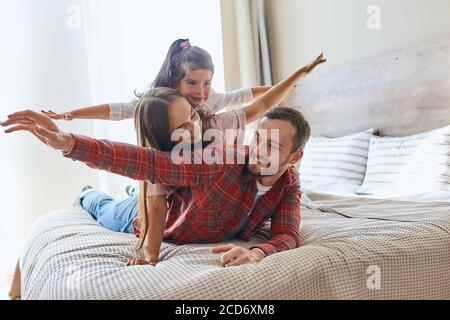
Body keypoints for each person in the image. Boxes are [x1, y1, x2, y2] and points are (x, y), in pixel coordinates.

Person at [2, 55, 325, 267]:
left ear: (294, 158)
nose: (255, 149)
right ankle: (87, 193)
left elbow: (286, 235)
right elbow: (149, 162)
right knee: (106, 208)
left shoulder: (288, 185)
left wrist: (256, 253)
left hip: (181, 190)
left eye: (270, 146)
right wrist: (67, 141)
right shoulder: (221, 160)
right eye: (256, 138)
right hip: (145, 213)